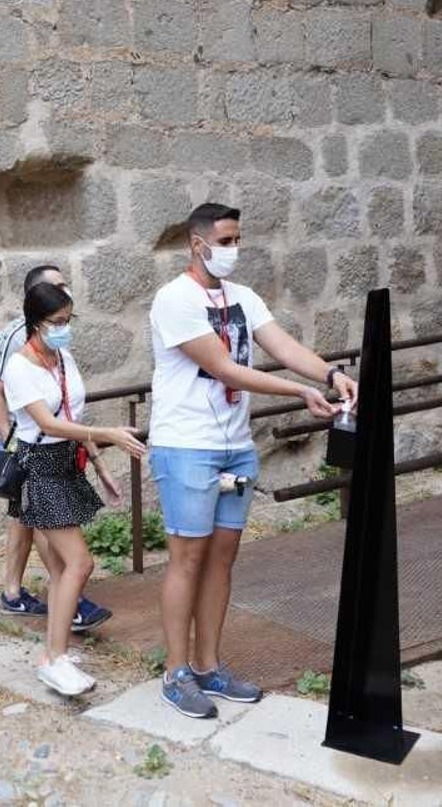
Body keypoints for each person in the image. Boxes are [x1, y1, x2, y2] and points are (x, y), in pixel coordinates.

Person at [148, 203, 351, 719]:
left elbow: (282, 345)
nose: (235, 250)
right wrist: (299, 391)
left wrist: (329, 375)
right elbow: (224, 369)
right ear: (198, 244)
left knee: (222, 559)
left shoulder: (243, 298)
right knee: (187, 558)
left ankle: (209, 665)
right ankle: (175, 672)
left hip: (234, 445)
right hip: (188, 445)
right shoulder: (174, 299)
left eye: (238, 240)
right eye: (227, 240)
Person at [1, 281, 146, 697]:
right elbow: (47, 423)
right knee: (79, 563)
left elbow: (70, 411)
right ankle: (56, 659)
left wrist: (99, 464)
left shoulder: (61, 358)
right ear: (35, 322)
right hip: (39, 468)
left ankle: (53, 653)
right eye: (57, 322)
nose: (65, 329)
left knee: (65, 567)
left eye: (69, 320)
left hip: (66, 463)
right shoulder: (19, 367)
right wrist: (108, 434)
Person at [0, 264, 112, 632]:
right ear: (35, 304)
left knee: (30, 523)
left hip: (61, 448)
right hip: (30, 445)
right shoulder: (14, 341)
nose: (65, 292)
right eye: (56, 287)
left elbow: (67, 405)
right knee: (46, 528)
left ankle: (22, 595)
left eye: (65, 286)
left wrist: (97, 459)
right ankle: (61, 603)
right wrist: (7, 439)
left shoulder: (61, 348)